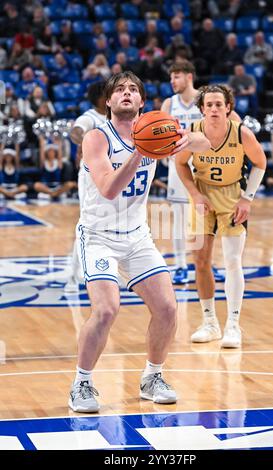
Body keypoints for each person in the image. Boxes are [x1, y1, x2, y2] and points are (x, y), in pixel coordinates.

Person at [68, 72, 207, 412]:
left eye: (133, 89)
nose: (127, 93)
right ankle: (81, 384)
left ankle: (152, 377)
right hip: (98, 236)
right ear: (109, 101)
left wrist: (187, 140)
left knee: (168, 307)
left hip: (137, 235)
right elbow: (109, 189)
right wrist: (141, 152)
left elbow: (209, 141)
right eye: (120, 90)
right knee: (106, 310)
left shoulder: (159, 131)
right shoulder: (97, 139)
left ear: (142, 102)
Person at [174, 84, 266, 348]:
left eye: (219, 104)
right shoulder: (192, 134)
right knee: (200, 261)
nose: (214, 109)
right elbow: (180, 164)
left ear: (228, 108)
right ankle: (210, 322)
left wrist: (247, 198)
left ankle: (233, 325)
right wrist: (194, 194)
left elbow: (261, 163)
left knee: (232, 261)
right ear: (201, 109)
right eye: (209, 105)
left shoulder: (241, 133)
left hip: (232, 197)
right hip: (202, 196)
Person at [161, 61, 240, 285]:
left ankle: (209, 264)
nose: (172, 81)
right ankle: (179, 266)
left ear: (189, 77)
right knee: (179, 217)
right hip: (181, 165)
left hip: (208, 165)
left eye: (176, 76)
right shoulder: (169, 103)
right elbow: (159, 132)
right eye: (171, 77)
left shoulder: (207, 99)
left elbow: (235, 122)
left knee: (208, 218)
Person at [66, 81, 107, 291]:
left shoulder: (114, 117)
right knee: (87, 222)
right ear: (100, 97)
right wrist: (85, 141)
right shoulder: (90, 117)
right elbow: (76, 131)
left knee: (109, 223)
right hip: (90, 176)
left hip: (110, 176)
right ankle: (73, 276)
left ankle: (104, 271)